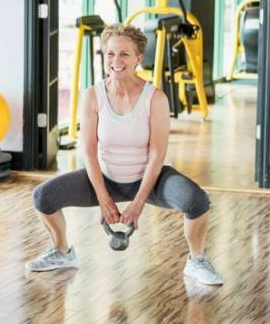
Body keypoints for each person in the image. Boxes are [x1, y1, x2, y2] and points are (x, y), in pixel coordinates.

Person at [26, 24, 223, 286]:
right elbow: (88, 150)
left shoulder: (155, 98)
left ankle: (196, 260)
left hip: (152, 179)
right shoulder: (93, 95)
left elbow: (157, 152)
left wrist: (138, 203)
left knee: (197, 201)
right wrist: (103, 197)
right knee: (43, 197)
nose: (116, 61)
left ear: (138, 59)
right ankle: (62, 252)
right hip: (105, 177)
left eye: (125, 55)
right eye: (110, 54)